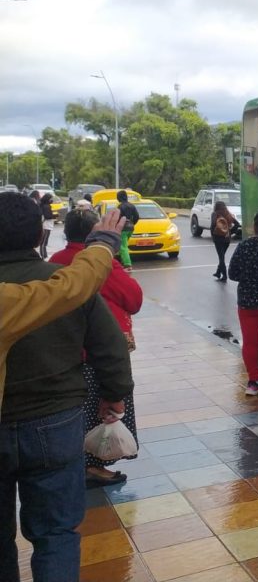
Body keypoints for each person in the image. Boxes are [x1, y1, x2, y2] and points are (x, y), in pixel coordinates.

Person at [0, 194, 133, 581]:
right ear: (40, 234)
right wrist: (114, 396)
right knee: (56, 532)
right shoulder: (60, 284)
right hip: (54, 422)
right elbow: (110, 348)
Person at [51, 210, 143, 487]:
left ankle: (74, 462)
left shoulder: (56, 261)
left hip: (64, 352)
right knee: (101, 408)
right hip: (98, 354)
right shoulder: (102, 264)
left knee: (74, 410)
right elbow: (134, 299)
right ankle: (92, 465)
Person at [228, 209, 258, 398]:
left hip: (247, 303)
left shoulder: (244, 246)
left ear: (255, 227)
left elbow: (232, 274)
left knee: (250, 344)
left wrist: (249, 279)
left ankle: (253, 381)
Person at [211, 200, 240, 282]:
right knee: (222, 256)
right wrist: (230, 232)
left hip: (218, 239)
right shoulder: (228, 214)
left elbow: (213, 225)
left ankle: (224, 276)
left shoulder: (215, 214)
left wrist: (213, 236)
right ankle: (218, 272)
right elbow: (237, 224)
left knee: (221, 258)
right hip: (227, 239)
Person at [115, 189, 140, 271]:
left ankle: (127, 265)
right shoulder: (132, 206)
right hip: (130, 228)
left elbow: (117, 218)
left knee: (123, 246)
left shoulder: (120, 206)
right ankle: (123, 262)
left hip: (123, 228)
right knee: (124, 245)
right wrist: (132, 223)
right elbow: (137, 217)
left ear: (119, 198)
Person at [37, 194, 55, 260]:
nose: (51, 200)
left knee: (44, 242)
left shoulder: (45, 205)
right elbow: (48, 216)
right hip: (46, 226)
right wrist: (54, 216)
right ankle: (43, 256)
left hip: (47, 225)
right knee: (44, 242)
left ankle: (44, 255)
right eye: (50, 198)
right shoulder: (46, 206)